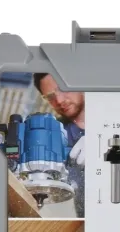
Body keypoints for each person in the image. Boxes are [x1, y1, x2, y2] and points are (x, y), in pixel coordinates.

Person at [33, 73, 85, 217]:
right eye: (50, 97)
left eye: (63, 88)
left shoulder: (119, 117)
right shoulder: (52, 134)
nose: (59, 101)